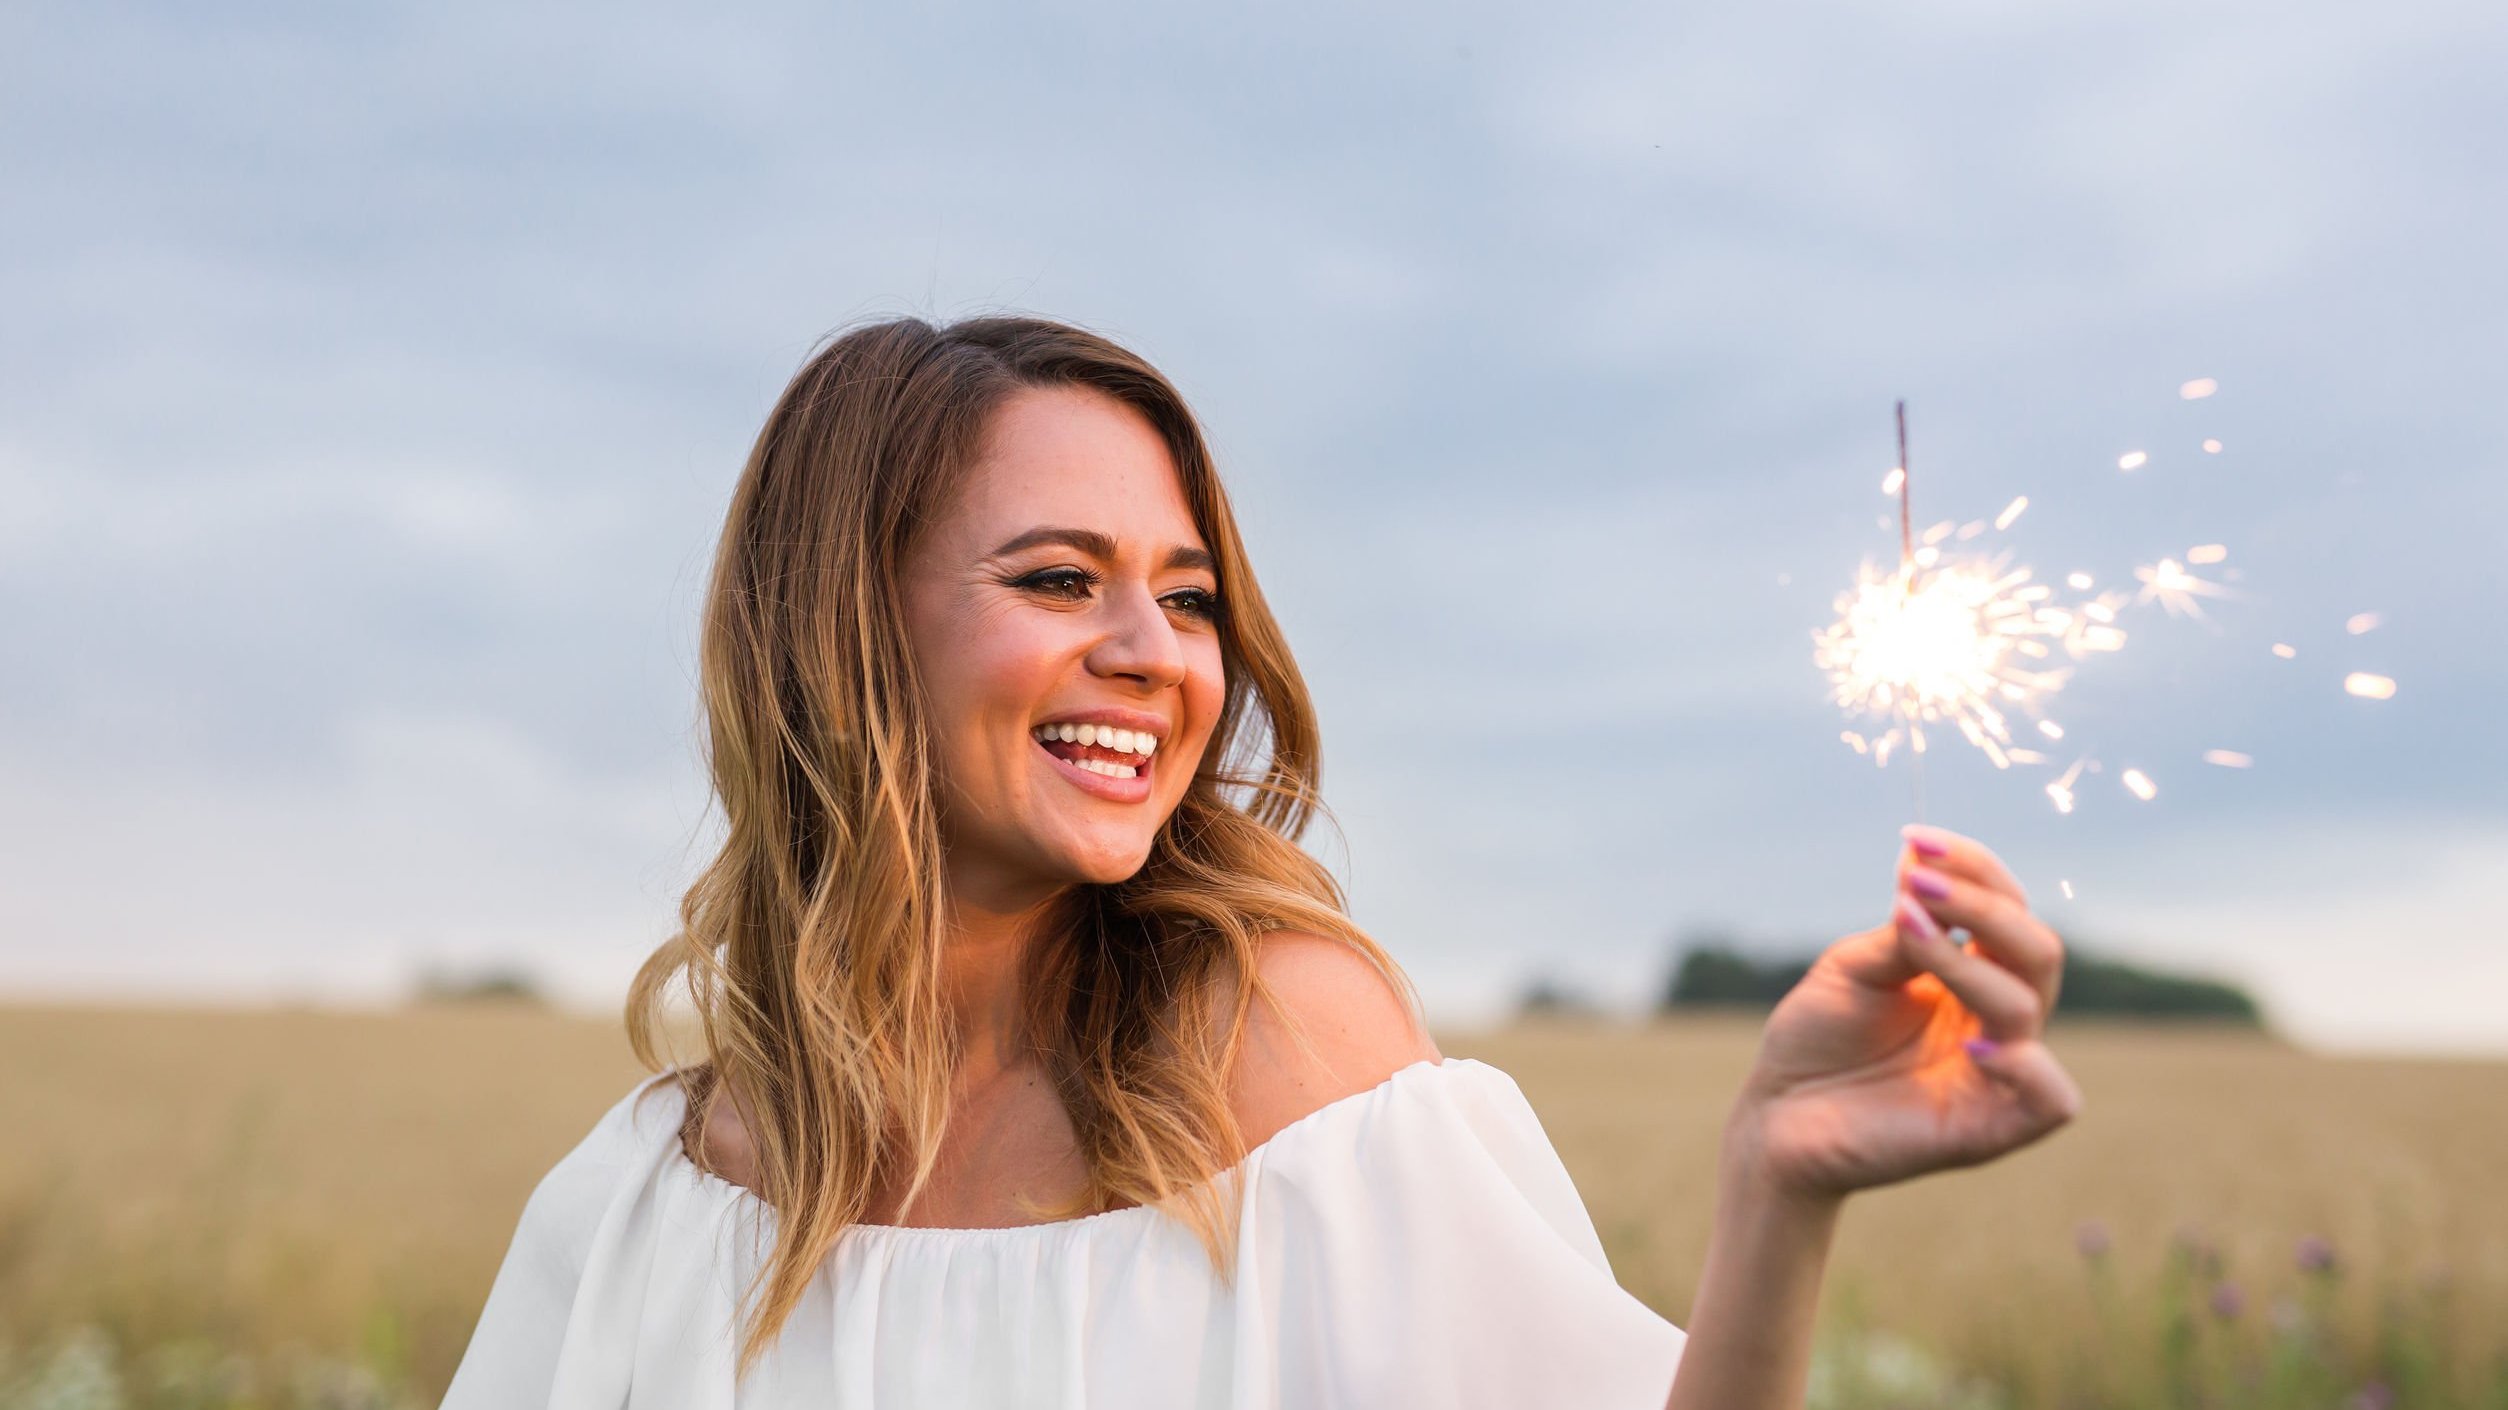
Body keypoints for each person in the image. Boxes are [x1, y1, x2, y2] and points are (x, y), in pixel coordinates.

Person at [438, 313, 2082, 1410]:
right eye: (1061, 578)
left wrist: (1775, 1186)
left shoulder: (1285, 1062)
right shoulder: (649, 1199)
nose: (1159, 652)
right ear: (845, 632)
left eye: (1191, 592)